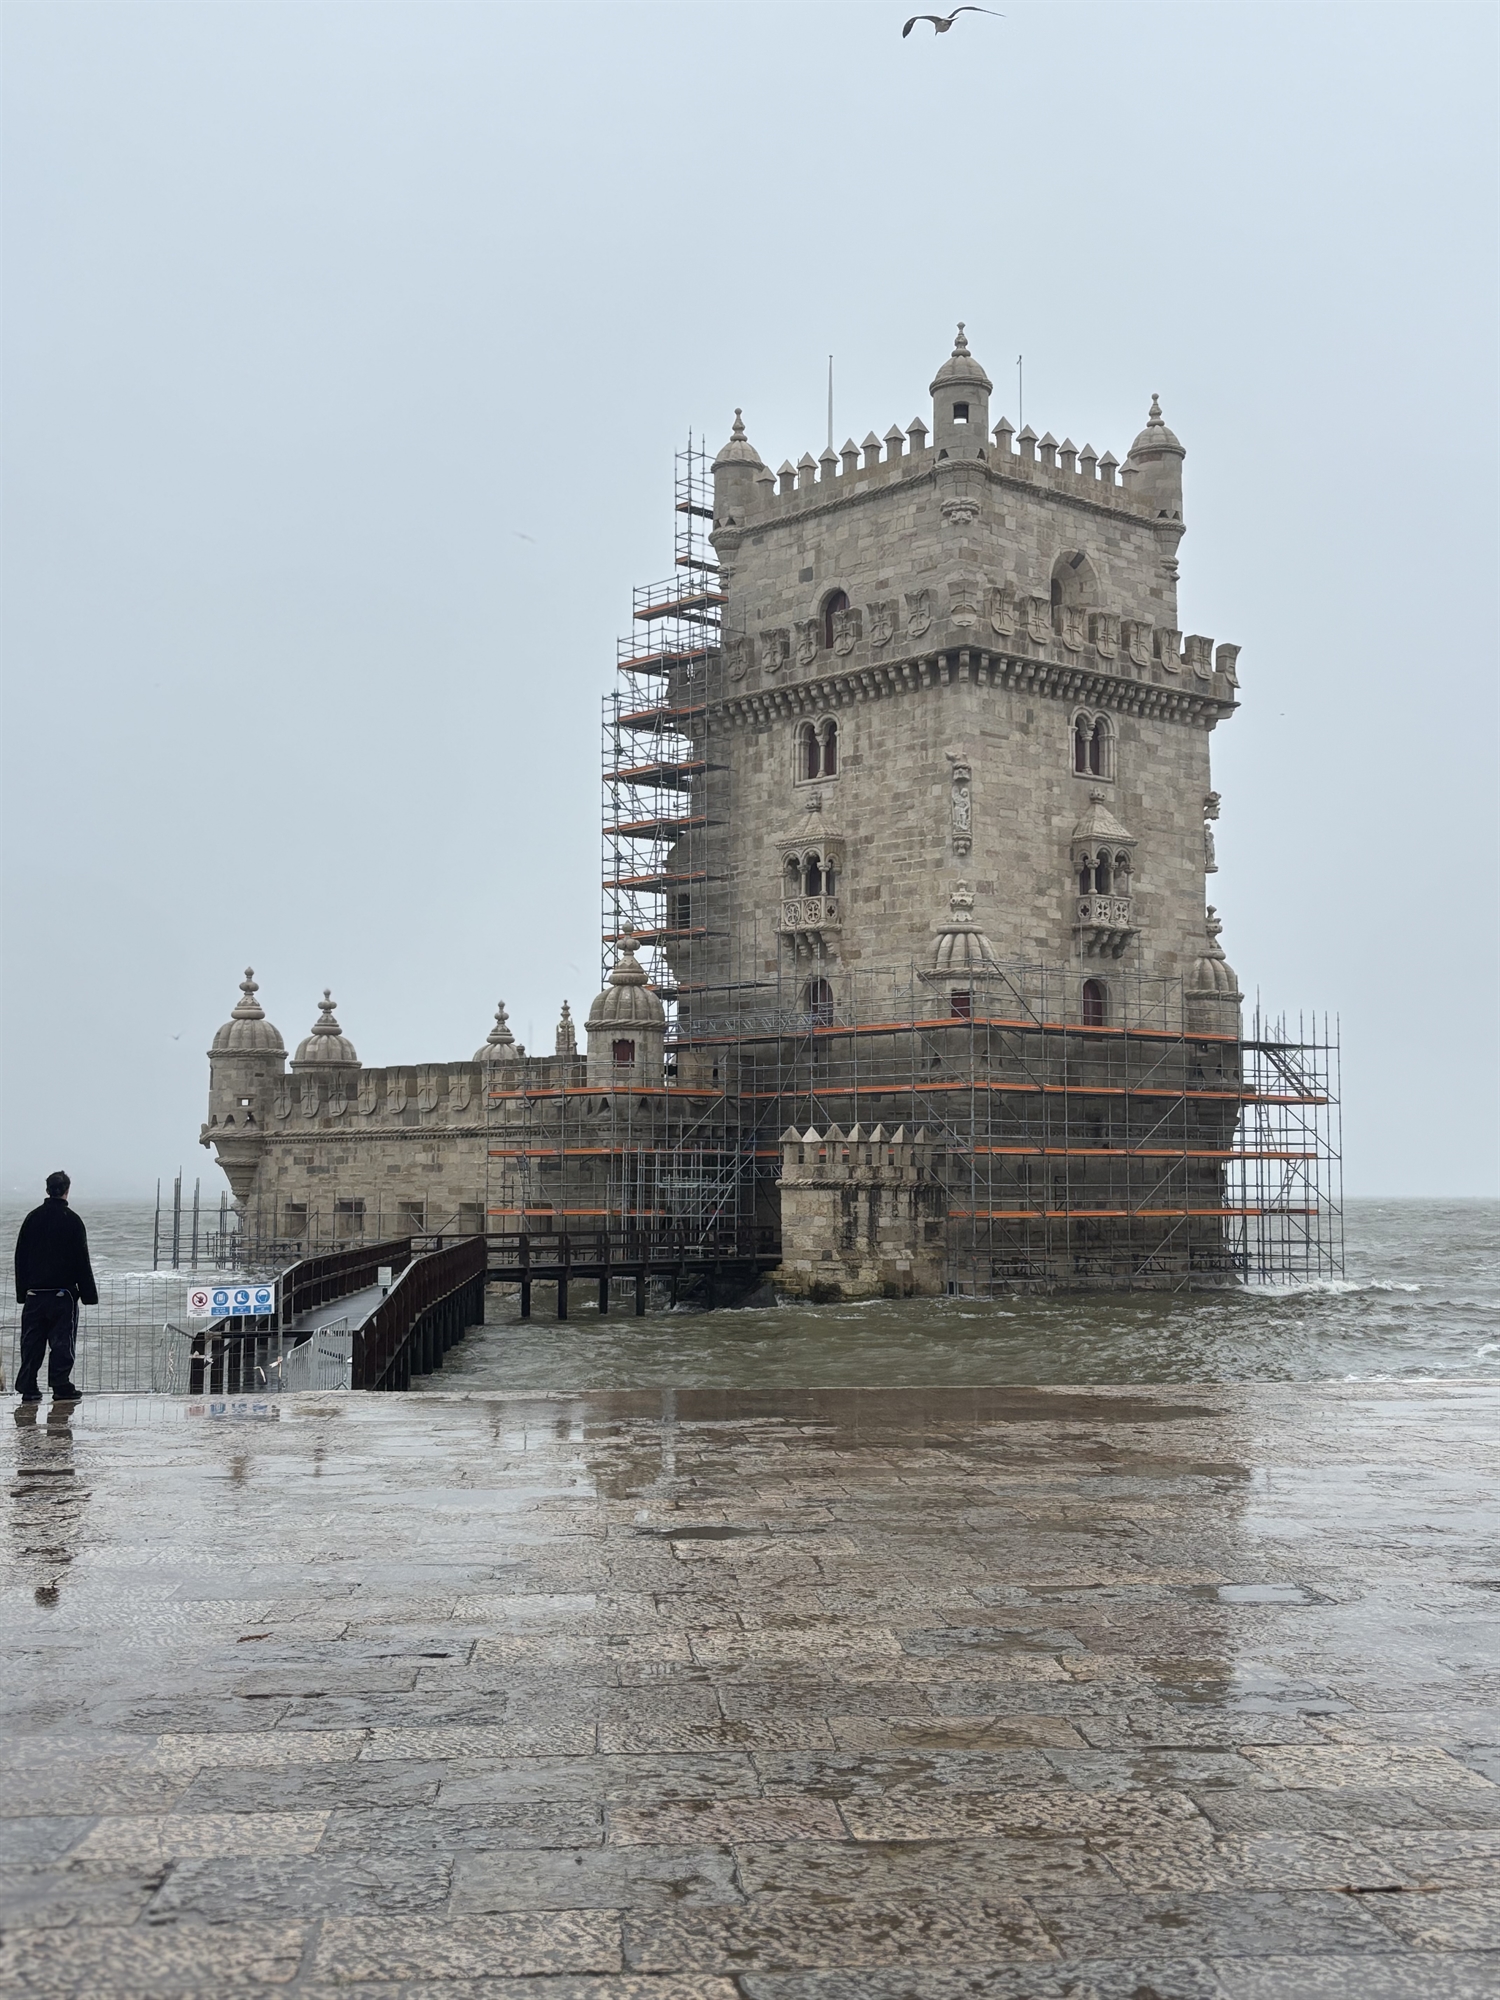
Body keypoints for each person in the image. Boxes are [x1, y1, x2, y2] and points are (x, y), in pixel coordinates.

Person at [14, 1171, 97, 1403]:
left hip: (35, 1294)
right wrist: (89, 1294)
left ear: (47, 1189)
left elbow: (20, 1257)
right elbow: (82, 1259)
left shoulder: (31, 1218)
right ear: (67, 1190)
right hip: (63, 1294)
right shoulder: (72, 1220)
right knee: (62, 1342)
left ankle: (28, 1386)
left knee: (31, 1342)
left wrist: (22, 1293)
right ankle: (60, 1385)